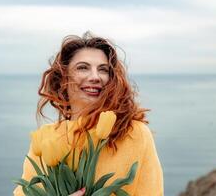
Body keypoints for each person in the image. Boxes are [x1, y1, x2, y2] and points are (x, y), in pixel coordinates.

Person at [13, 32, 163, 196]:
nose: (95, 77)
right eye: (83, 68)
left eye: (103, 70)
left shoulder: (134, 132)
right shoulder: (47, 137)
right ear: (63, 78)